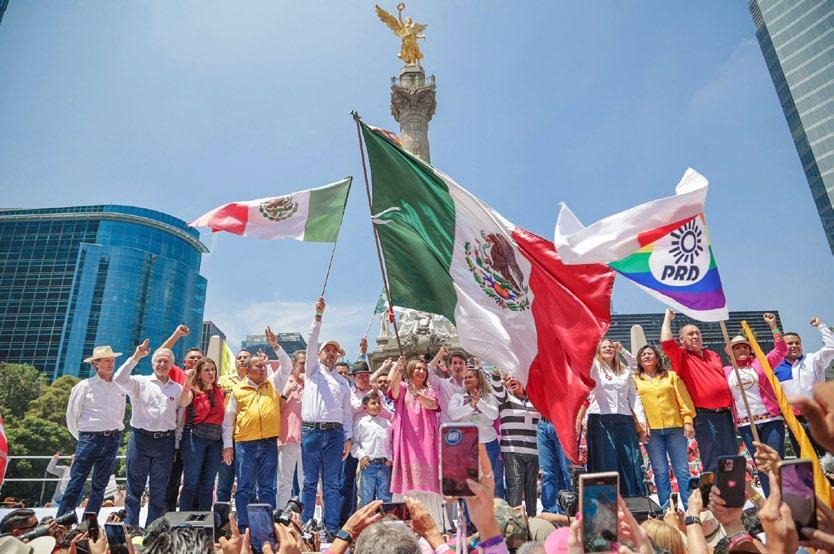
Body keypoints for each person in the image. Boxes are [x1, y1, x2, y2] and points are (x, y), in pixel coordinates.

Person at [221, 326, 293, 530]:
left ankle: (265, 527)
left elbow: (287, 366)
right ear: (247, 370)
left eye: (264, 366)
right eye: (259, 367)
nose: (264, 369)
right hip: (245, 445)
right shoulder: (238, 390)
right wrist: (227, 446)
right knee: (244, 487)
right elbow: (228, 421)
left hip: (269, 443)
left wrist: (275, 346)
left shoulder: (273, 384)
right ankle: (244, 526)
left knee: (267, 488)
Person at [58, 343, 135, 517]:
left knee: (100, 485)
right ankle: (63, 521)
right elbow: (72, 415)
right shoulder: (84, 386)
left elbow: (120, 412)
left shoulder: (119, 386)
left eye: (112, 360)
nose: (111, 363)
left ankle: (89, 523)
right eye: (106, 360)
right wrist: (82, 438)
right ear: (96, 364)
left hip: (112, 438)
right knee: (76, 481)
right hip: (89, 438)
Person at [299, 297, 353, 540]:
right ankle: (306, 526)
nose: (331, 354)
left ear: (338, 356)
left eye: (334, 351)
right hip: (311, 431)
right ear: (319, 353)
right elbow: (311, 341)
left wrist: (348, 438)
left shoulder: (343, 382)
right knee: (310, 482)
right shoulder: (311, 369)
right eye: (327, 350)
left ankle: (331, 528)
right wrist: (318, 316)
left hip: (335, 434)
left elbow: (347, 413)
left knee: (331, 483)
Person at [661, 308, 738, 474]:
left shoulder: (713, 355)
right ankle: (712, 490)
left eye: (697, 333)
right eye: (690, 334)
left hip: (725, 414)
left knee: (732, 458)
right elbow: (666, 342)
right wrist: (668, 316)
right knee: (712, 459)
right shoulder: (681, 356)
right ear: (682, 340)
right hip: (704, 416)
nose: (695, 336)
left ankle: (732, 489)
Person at [113, 341, 181, 527]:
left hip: (165, 442)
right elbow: (118, 379)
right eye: (159, 361)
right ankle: (131, 529)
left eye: (166, 361)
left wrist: (175, 445)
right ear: (153, 363)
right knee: (134, 490)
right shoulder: (139, 382)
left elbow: (180, 418)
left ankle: (152, 532)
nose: (162, 364)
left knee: (159, 491)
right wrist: (136, 356)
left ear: (172, 365)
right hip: (140, 440)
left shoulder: (177, 389)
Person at [723, 313, 786, 496]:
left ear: (750, 349)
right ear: (730, 352)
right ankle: (771, 500)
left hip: (771, 420)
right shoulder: (725, 371)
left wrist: (773, 325)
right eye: (737, 347)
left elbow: (781, 350)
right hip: (746, 424)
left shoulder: (761, 363)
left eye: (745, 346)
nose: (741, 349)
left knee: (775, 462)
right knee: (761, 465)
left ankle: (784, 500)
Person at [578, 339, 648, 497]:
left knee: (630, 458)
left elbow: (633, 394)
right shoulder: (595, 367)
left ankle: (633, 498)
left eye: (610, 346)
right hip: (600, 418)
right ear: (598, 351)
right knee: (604, 460)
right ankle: (604, 501)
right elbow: (584, 357)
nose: (608, 349)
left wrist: (641, 419)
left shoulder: (624, 371)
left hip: (624, 418)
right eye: (604, 347)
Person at [631, 344, 696, 509]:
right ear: (639, 360)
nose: (647, 356)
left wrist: (688, 421)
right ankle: (667, 510)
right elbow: (632, 405)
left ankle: (690, 509)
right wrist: (638, 428)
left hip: (675, 427)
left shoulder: (671, 376)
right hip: (650, 432)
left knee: (682, 470)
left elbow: (684, 399)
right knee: (660, 471)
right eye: (643, 354)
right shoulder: (634, 379)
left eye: (650, 353)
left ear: (657, 357)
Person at [340, 340, 394, 526]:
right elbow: (349, 412)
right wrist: (365, 401)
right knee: (347, 483)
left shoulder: (377, 395)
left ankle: (381, 523)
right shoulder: (348, 393)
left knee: (379, 489)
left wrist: (378, 400)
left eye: (366, 375)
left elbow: (388, 415)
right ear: (353, 378)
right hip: (354, 440)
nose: (364, 378)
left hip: (375, 445)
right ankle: (347, 520)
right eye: (360, 376)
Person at [387, 355, 443, 525]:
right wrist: (398, 368)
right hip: (406, 441)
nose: (421, 371)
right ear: (410, 370)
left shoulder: (430, 390)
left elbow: (432, 404)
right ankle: (404, 524)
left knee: (428, 483)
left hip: (426, 441)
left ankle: (432, 522)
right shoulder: (403, 387)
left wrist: (417, 394)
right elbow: (393, 388)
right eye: (418, 368)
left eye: (424, 369)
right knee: (406, 484)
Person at [774, 315, 834, 456]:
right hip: (795, 422)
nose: (794, 346)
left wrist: (820, 326)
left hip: (819, 418)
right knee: (805, 460)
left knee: (829, 458)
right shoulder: (775, 369)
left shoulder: (813, 360)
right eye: (790, 343)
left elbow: (831, 347)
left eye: (797, 343)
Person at [488, 368, 541, 517]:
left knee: (531, 487)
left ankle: (532, 519)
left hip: (534, 450)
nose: (512, 380)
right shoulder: (504, 398)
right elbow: (496, 384)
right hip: (511, 450)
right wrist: (496, 372)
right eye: (508, 378)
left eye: (515, 377)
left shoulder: (535, 399)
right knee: (516, 484)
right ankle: (515, 521)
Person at [448, 365, 504, 499]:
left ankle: (494, 508)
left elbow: (494, 415)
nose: (467, 379)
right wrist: (470, 405)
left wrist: (479, 402)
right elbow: (453, 414)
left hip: (489, 444)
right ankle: (472, 511)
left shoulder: (489, 396)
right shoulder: (458, 397)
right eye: (465, 377)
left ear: (479, 379)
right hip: (468, 446)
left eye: (471, 377)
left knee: (491, 480)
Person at [178, 357, 225, 511]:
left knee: (208, 484)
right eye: (206, 370)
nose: (211, 373)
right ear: (199, 373)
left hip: (215, 440)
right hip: (195, 436)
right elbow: (183, 402)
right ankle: (184, 519)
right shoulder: (193, 390)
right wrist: (186, 385)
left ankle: (205, 518)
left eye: (213, 369)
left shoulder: (221, 391)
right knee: (191, 482)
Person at [216, 348, 252, 503]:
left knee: (247, 483)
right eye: (240, 357)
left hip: (248, 437)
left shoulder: (257, 381)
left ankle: (244, 516)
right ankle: (222, 515)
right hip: (226, 436)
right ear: (235, 362)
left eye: (246, 357)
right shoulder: (223, 381)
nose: (242, 360)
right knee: (224, 482)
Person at [352, 392, 394, 505]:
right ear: (365, 407)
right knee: (367, 496)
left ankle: (384, 516)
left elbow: (390, 443)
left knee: (385, 497)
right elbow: (354, 443)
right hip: (368, 464)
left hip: (385, 465)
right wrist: (361, 456)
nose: (377, 405)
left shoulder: (386, 423)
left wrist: (390, 458)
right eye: (373, 403)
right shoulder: (361, 423)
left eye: (379, 403)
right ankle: (369, 516)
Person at [276, 350, 305, 509]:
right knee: (284, 482)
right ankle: (281, 515)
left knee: (307, 482)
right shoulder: (284, 380)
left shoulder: (312, 384)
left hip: (308, 438)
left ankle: (306, 517)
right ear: (293, 364)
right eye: (301, 363)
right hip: (288, 437)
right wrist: (287, 391)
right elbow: (275, 408)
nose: (305, 366)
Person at [427, 345, 466, 423]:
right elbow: (428, 372)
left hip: (468, 427)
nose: (458, 366)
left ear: (466, 366)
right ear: (450, 367)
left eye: (461, 363)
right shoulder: (442, 383)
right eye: (455, 363)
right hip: (448, 427)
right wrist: (440, 354)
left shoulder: (472, 385)